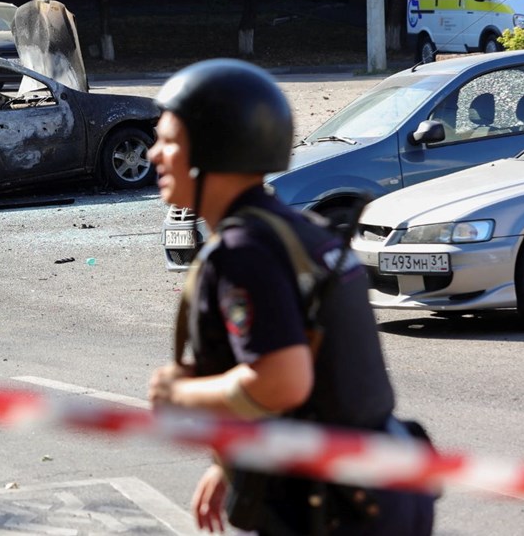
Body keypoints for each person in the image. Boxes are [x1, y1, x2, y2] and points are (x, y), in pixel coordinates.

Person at [145, 59, 434, 535]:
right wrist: (232, 465)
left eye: (169, 141)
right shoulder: (299, 231)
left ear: (212, 152)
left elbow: (281, 382)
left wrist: (179, 393)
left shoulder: (246, 251)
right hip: (376, 492)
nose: (155, 154)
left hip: (332, 511)